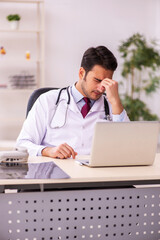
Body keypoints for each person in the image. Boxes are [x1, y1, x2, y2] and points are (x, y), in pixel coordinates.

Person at [16, 46, 129, 159]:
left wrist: (115, 101)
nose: (101, 88)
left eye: (106, 82)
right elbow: (21, 145)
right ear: (81, 73)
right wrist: (47, 151)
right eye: (97, 80)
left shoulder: (112, 106)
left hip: (97, 174)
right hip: (55, 171)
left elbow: (128, 147)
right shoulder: (47, 100)